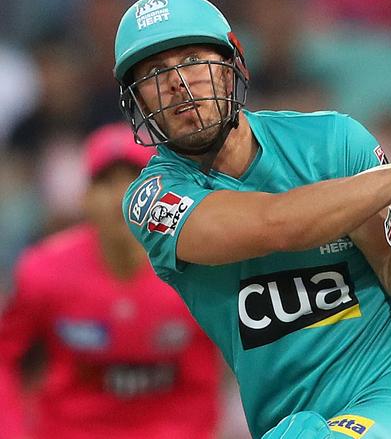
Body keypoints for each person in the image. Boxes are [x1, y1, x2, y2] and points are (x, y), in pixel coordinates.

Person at [114, 0, 391, 438]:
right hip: (296, 426)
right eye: (155, 72)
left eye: (192, 59)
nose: (176, 82)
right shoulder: (154, 199)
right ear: (138, 102)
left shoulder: (332, 142)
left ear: (235, 64)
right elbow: (276, 225)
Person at [0, 123, 226, 439]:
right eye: (106, 182)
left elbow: (212, 375)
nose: (122, 196)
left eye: (135, 179)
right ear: (86, 197)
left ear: (161, 193)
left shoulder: (196, 271)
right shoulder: (43, 271)